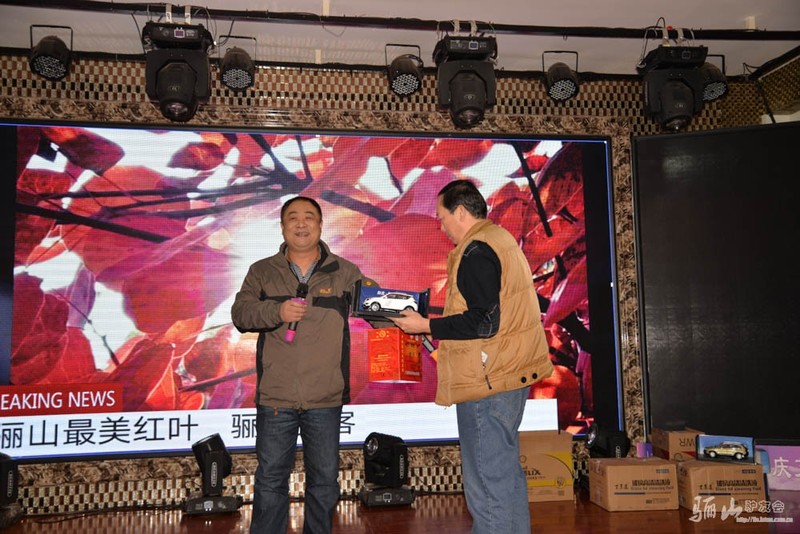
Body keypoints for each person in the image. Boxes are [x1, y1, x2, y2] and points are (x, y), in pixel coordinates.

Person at [391, 179, 554, 534]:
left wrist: (426, 325)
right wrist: (434, 331)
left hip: (487, 382)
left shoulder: (476, 251)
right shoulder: (499, 239)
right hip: (505, 375)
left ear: (461, 213)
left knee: (486, 480)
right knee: (504, 474)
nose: (441, 226)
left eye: (442, 218)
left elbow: (484, 322)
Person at [231, 196, 365, 534]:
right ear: (282, 227)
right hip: (277, 398)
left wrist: (411, 315)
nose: (301, 224)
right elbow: (241, 314)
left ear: (320, 226)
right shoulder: (262, 271)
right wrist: (277, 311)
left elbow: (374, 305)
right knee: (271, 479)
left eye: (309, 217)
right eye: (293, 218)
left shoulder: (344, 271)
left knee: (325, 481)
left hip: (325, 397)